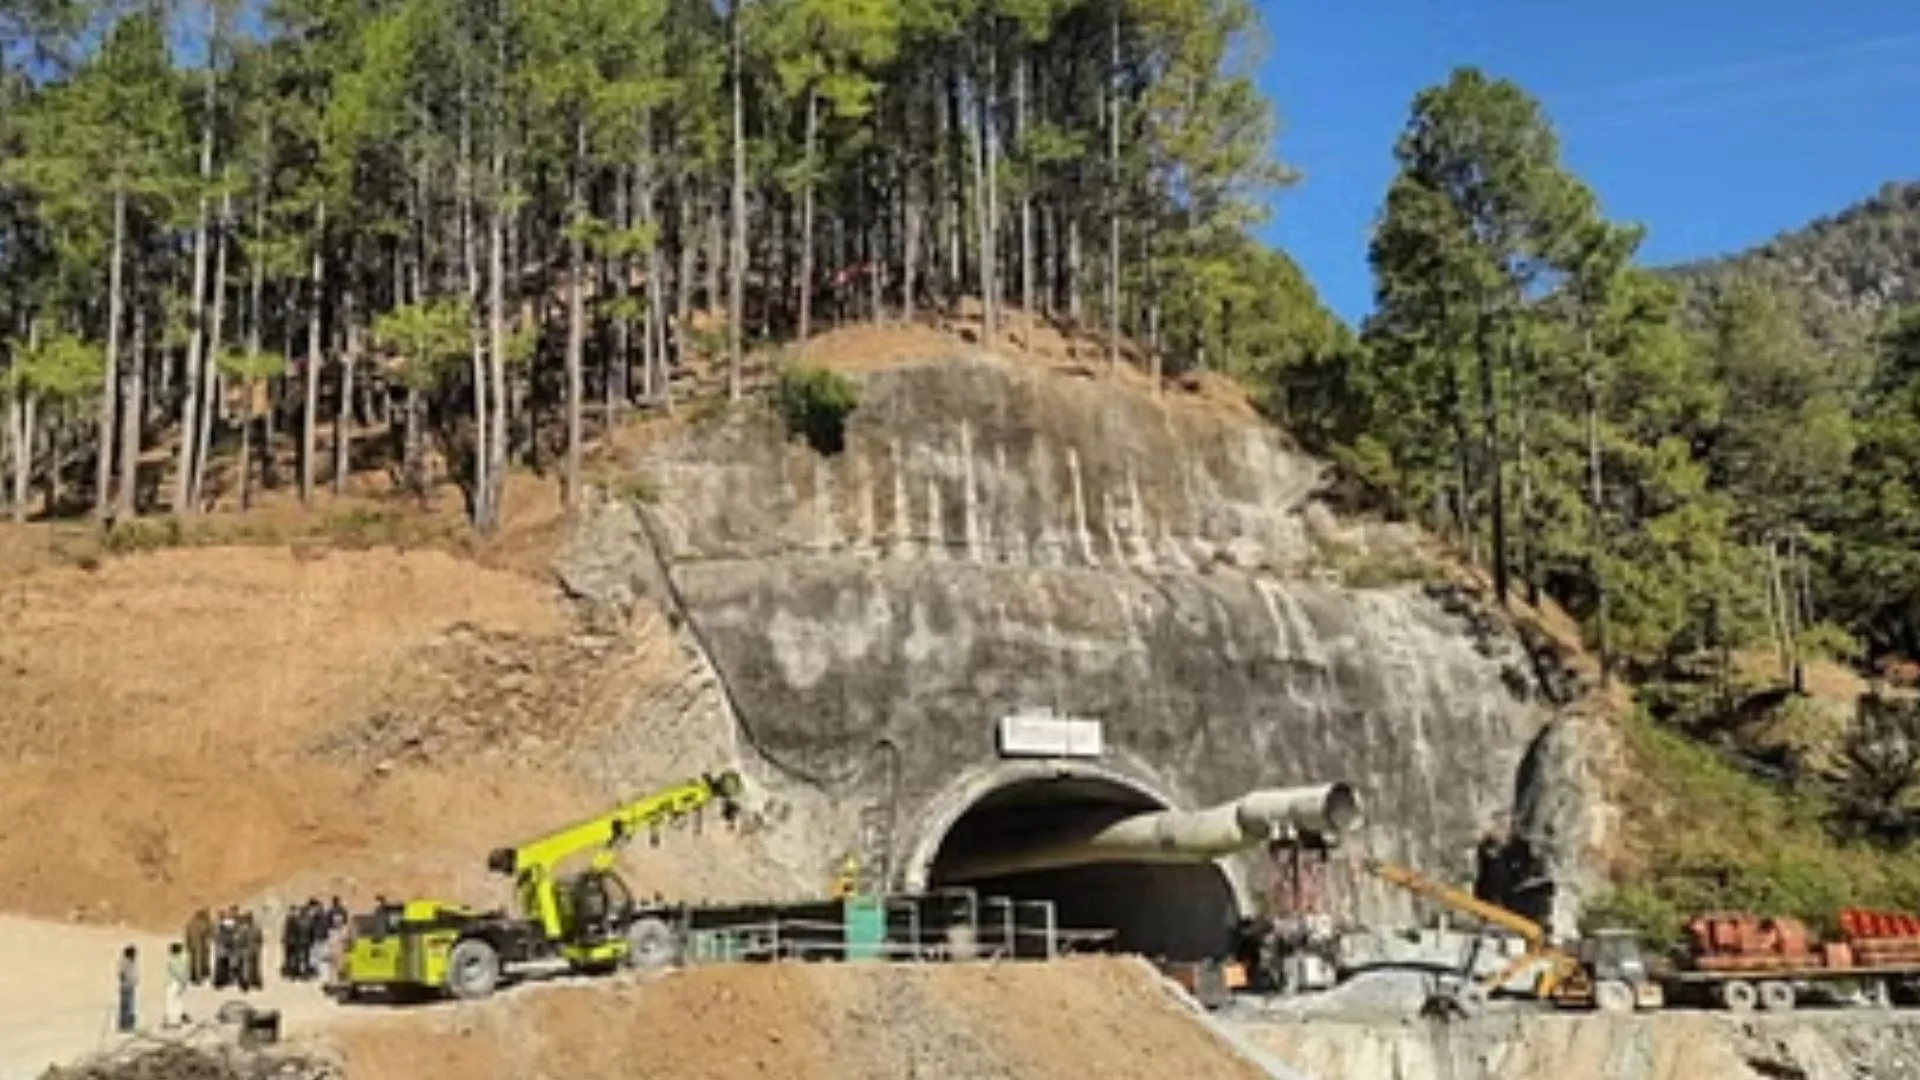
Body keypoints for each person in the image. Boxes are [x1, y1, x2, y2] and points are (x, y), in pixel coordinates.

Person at [164, 943, 188, 1029]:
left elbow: (176, 972)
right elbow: (183, 973)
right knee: (178, 1002)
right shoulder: (182, 960)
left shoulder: (171, 960)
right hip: (178, 983)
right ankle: (176, 1021)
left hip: (172, 983)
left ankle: (172, 1021)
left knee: (171, 1002)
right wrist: (184, 982)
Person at [116, 945, 138, 1034]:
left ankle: (128, 1024)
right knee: (125, 1006)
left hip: (131, 985)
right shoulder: (124, 962)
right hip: (126, 986)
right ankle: (124, 1025)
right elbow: (121, 974)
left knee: (130, 1006)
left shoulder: (133, 962)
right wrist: (126, 981)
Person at [281, 905, 304, 980]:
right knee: (294, 958)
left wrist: (284, 939)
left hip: (288, 941)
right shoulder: (295, 920)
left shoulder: (287, 919)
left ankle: (288, 972)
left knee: (288, 958)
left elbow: (285, 931)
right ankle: (293, 974)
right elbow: (297, 931)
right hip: (294, 942)